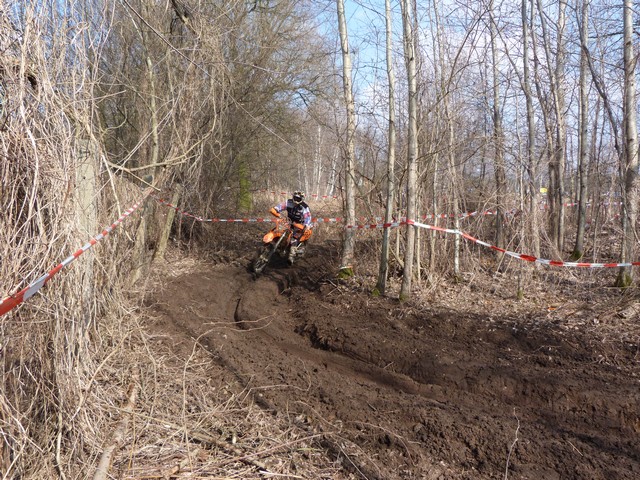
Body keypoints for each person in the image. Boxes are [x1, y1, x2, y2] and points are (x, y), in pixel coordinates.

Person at [269, 190, 312, 264]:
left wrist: (306, 226)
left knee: (294, 238)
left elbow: (308, 218)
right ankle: (277, 246)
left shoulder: (304, 207)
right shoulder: (288, 202)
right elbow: (279, 207)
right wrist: (275, 211)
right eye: (295, 198)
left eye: (298, 199)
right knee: (278, 230)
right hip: (289, 221)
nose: (296, 200)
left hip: (299, 225)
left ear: (302, 199)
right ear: (293, 197)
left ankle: (291, 256)